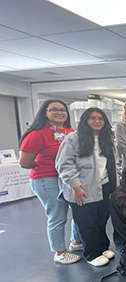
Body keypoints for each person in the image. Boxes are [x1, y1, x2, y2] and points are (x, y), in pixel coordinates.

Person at [19, 99, 81, 264]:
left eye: (62, 110)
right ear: (44, 112)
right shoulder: (37, 134)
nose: (59, 112)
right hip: (47, 179)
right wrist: (47, 166)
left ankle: (76, 242)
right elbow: (25, 162)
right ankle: (60, 252)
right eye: (54, 109)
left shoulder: (70, 131)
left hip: (68, 179)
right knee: (58, 214)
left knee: (78, 210)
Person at [56, 108, 117, 267]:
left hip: (103, 186)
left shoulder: (106, 139)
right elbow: (64, 165)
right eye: (92, 118)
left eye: (100, 119)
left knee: (102, 218)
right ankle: (92, 253)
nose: (97, 121)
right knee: (86, 221)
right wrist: (76, 187)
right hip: (82, 188)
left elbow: (112, 164)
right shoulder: (73, 139)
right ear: (85, 121)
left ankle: (102, 247)